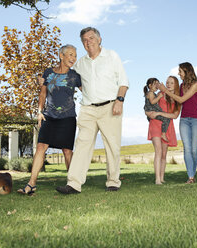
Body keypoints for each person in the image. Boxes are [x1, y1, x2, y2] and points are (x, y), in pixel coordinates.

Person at [56, 27, 129, 194]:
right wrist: (46, 78)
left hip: (110, 107)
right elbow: (69, 77)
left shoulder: (112, 56)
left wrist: (119, 100)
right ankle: (74, 184)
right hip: (88, 109)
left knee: (112, 146)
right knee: (82, 144)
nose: (88, 42)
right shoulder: (80, 63)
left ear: (99, 39)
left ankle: (113, 182)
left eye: (91, 38)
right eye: (84, 40)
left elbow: (123, 81)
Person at [17, 44, 82, 195]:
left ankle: (72, 184)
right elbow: (43, 94)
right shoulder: (48, 73)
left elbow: (88, 91)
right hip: (49, 116)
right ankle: (31, 184)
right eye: (70, 55)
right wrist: (39, 112)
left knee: (67, 151)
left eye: (75, 55)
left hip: (68, 117)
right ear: (61, 55)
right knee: (41, 147)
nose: (73, 58)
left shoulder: (75, 76)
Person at [158, 62, 197, 184]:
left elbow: (182, 99)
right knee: (187, 148)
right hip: (184, 120)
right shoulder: (182, 85)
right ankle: (190, 177)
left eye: (180, 71)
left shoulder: (195, 85)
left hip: (196, 120)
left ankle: (193, 174)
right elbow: (175, 100)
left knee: (194, 149)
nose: (178, 73)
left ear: (186, 71)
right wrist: (164, 92)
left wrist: (166, 91)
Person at [146, 76, 181, 184]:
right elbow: (148, 104)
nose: (169, 84)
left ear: (176, 85)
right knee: (158, 151)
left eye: (171, 83)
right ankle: (157, 179)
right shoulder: (159, 94)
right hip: (155, 124)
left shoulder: (177, 98)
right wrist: (147, 113)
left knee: (164, 154)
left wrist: (160, 113)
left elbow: (175, 116)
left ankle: (161, 178)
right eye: (167, 82)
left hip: (167, 126)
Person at [143, 77, 170, 142]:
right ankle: (163, 134)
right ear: (150, 85)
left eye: (158, 83)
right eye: (155, 83)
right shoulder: (151, 93)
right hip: (152, 112)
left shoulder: (152, 93)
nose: (157, 85)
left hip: (151, 112)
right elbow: (152, 102)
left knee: (165, 118)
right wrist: (159, 97)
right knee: (166, 118)